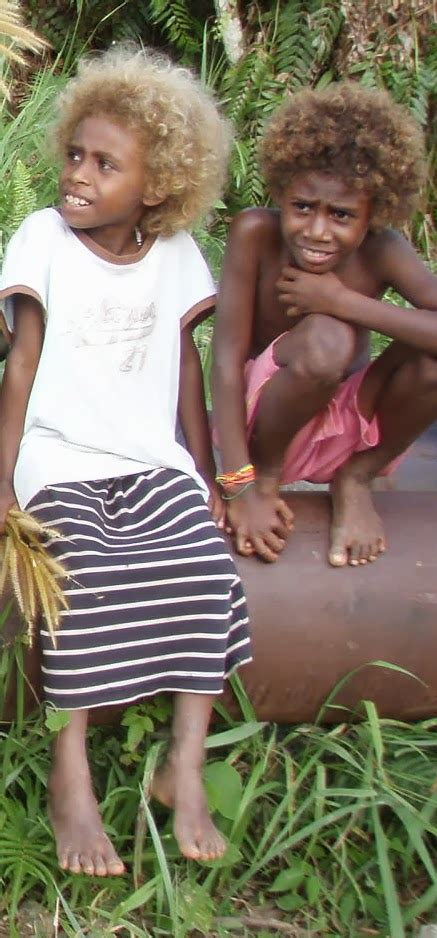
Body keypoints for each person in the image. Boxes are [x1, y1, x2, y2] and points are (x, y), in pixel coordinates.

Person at [0, 47, 251, 876]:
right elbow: (23, 366)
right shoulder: (44, 237)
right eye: (76, 153)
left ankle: (185, 759)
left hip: (150, 458)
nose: (79, 175)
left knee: (204, 570)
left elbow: (186, 367)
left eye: (106, 165)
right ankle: (70, 770)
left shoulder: (174, 254)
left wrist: (215, 476)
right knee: (79, 577)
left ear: (157, 184)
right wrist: (2, 481)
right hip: (59, 457)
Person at [211, 82, 437, 567]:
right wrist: (238, 485)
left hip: (349, 430)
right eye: (303, 207)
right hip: (266, 425)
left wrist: (344, 301)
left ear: (373, 215)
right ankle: (269, 478)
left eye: (341, 215)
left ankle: (357, 477)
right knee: (328, 339)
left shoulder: (383, 250)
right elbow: (223, 360)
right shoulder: (255, 234)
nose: (317, 230)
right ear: (282, 192)